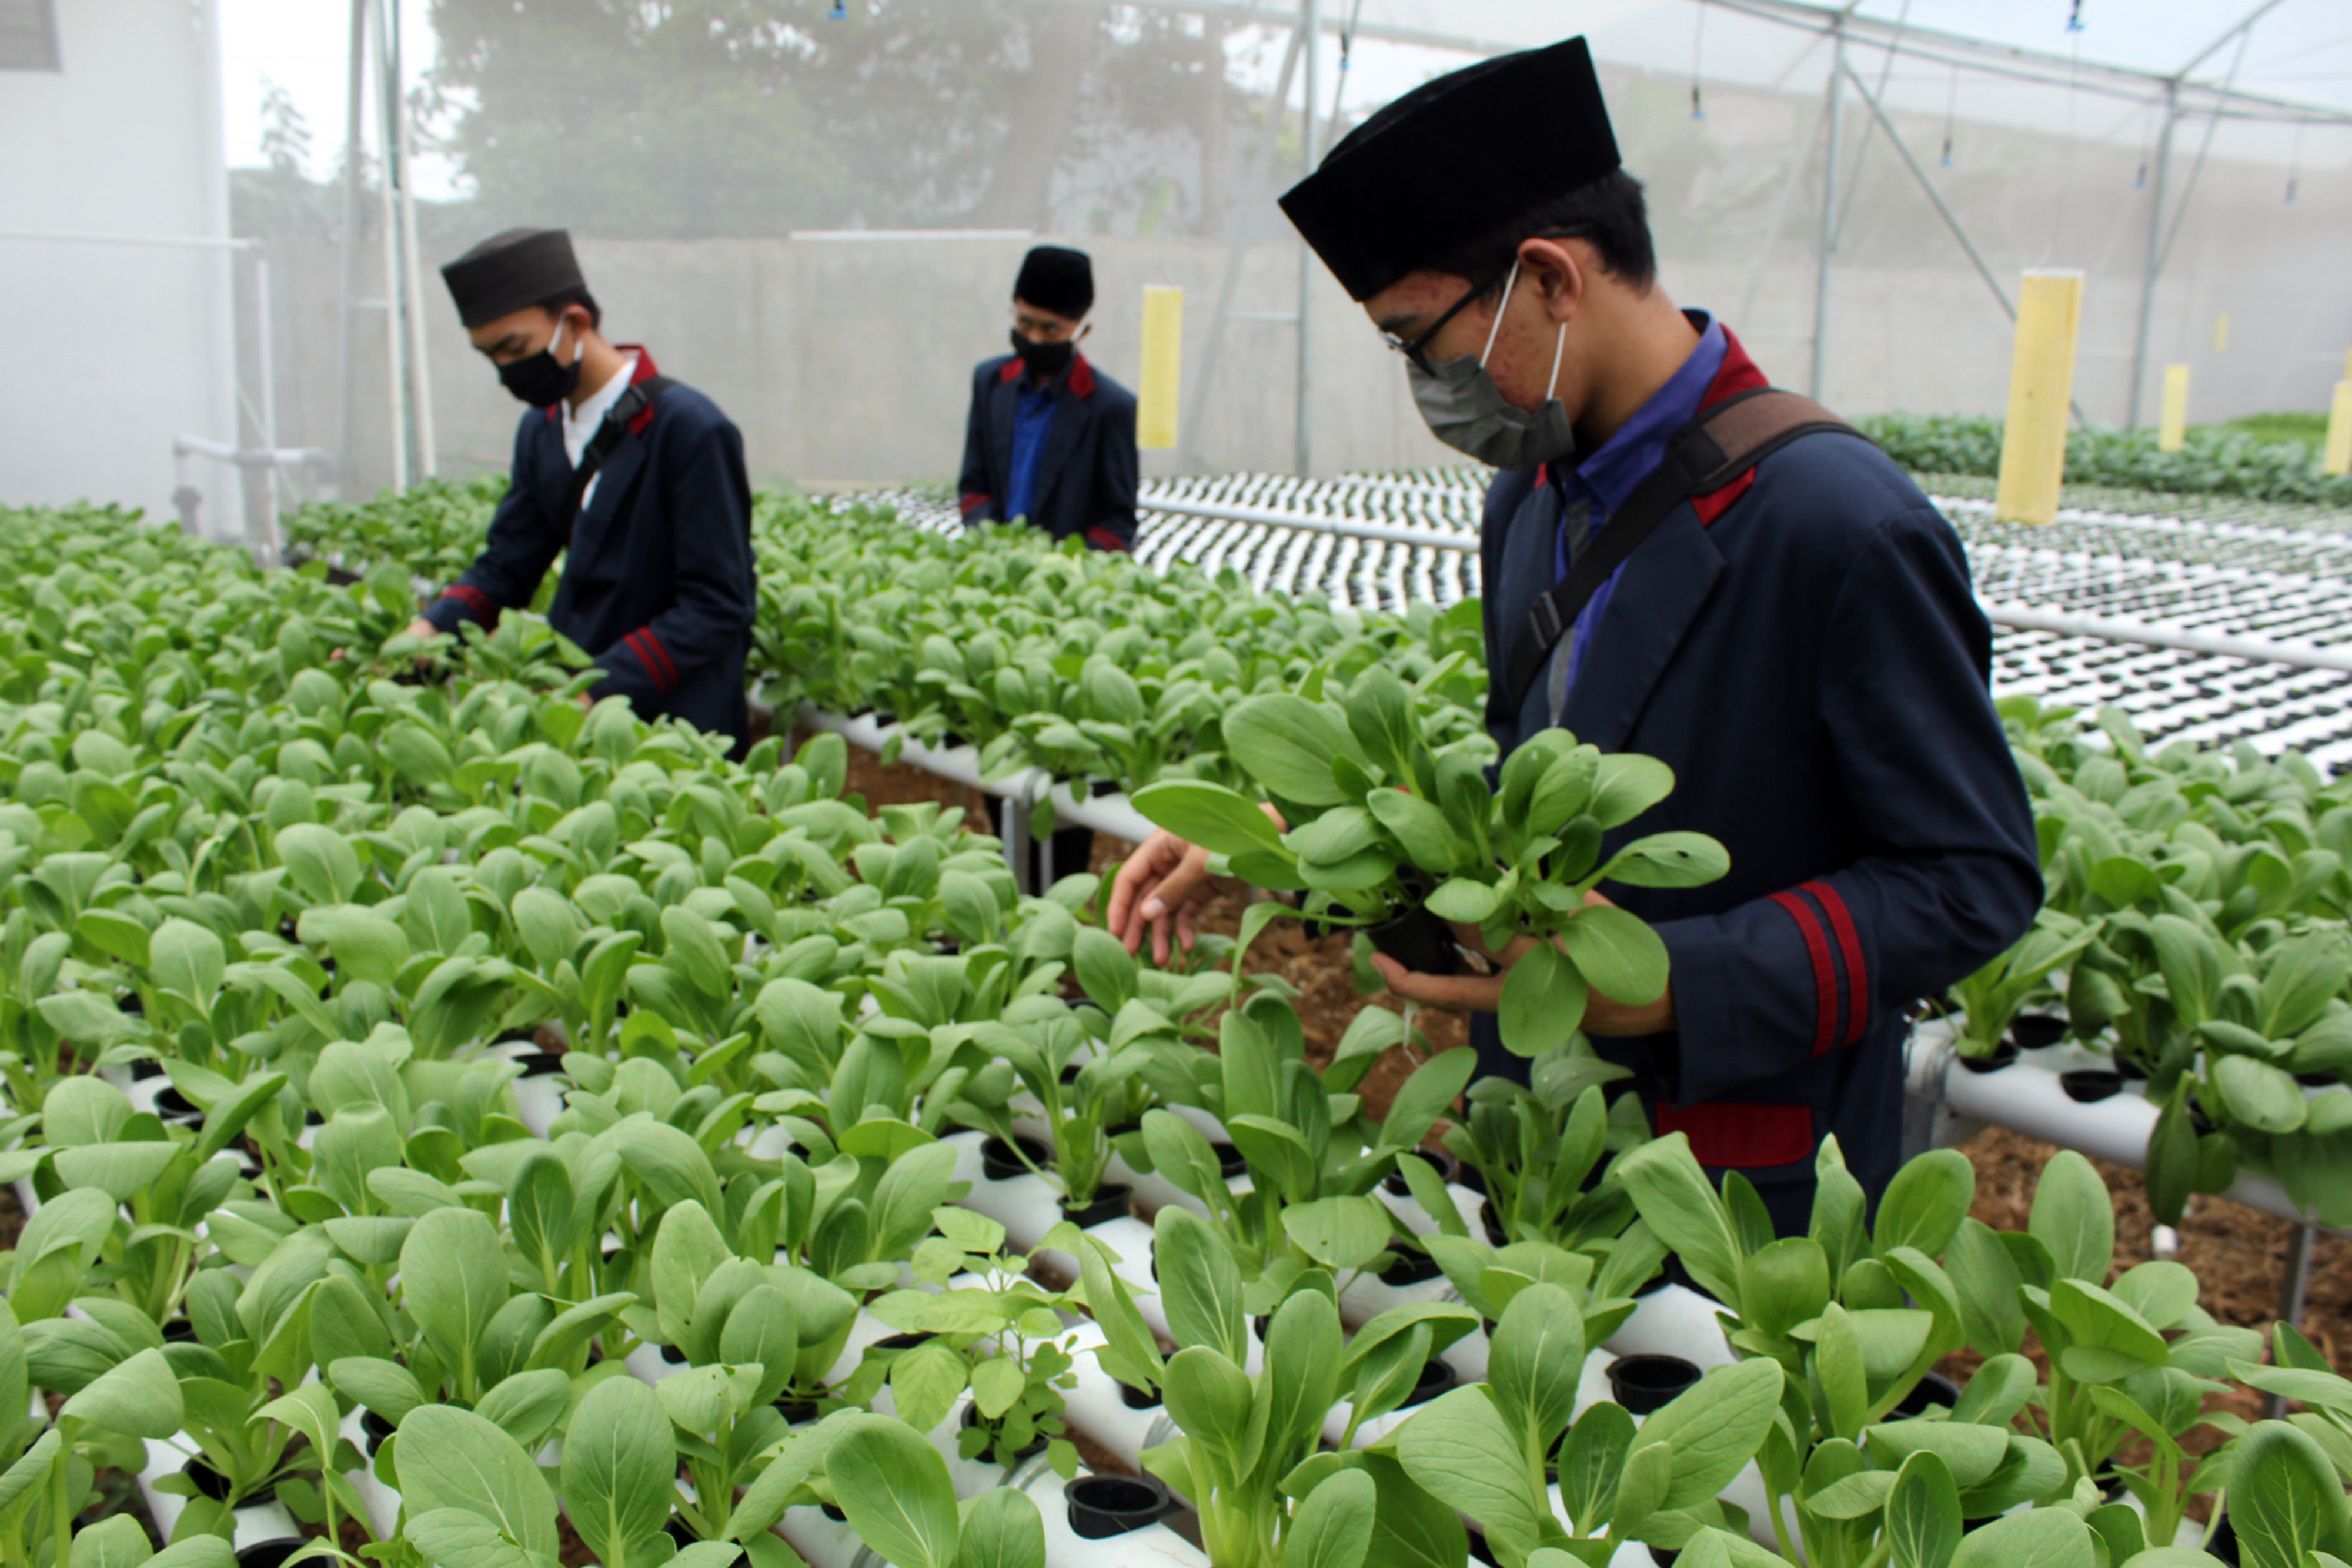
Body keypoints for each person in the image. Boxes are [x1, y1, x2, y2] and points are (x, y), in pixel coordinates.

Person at [1107, 38, 2042, 1232]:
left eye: (1417, 337)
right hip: (1537, 1124)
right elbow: (1524, 794)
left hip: (1739, 1166)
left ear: (1548, 276)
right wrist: (1283, 841)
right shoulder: (1531, 497)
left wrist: (1667, 989)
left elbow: (1970, 879)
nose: (1422, 379)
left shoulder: (1838, 524)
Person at [409, 228, 757, 757]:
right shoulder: (543, 428)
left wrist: (601, 684)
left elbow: (717, 604)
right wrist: (430, 629)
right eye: (489, 355)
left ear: (574, 322)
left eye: (514, 348)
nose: (506, 371)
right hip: (579, 708)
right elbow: (509, 563)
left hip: (678, 721)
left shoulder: (688, 429)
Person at [958, 244, 1140, 886]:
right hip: (996, 601)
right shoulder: (990, 383)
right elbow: (974, 483)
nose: (1032, 338)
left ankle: (1058, 898)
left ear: (1081, 330)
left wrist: (1064, 574)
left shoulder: (1110, 406)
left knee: (1063, 760)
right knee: (1000, 747)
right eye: (1024, 323)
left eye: (1050, 331)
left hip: (1069, 617)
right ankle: (1016, 885)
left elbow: (1118, 521)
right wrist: (991, 545)